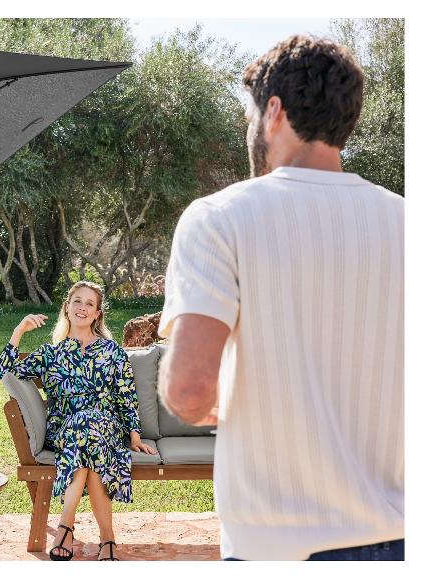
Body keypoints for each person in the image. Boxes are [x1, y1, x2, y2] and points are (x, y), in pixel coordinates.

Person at [156, 34, 404, 561]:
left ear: (273, 111)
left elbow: (188, 391)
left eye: (251, 115)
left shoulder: (219, 218)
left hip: (276, 547)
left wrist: (219, 400)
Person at [0, 280, 158, 561]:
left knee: (90, 429)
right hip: (65, 430)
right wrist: (18, 330)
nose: (82, 307)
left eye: (89, 304)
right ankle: (107, 540)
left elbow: (127, 397)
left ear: (97, 314)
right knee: (86, 432)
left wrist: (134, 435)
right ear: (67, 308)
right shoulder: (50, 354)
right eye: (77, 301)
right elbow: (4, 373)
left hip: (106, 429)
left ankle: (65, 528)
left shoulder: (113, 352)